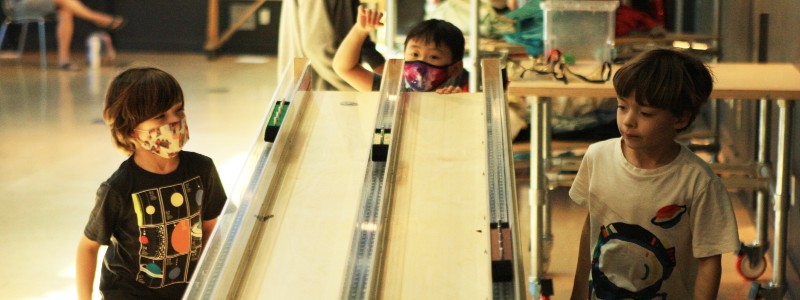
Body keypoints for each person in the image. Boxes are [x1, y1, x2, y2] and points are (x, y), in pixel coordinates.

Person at [569, 49, 739, 299]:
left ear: (680, 119)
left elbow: (709, 260)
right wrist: (578, 291)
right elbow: (590, 228)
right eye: (621, 106)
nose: (628, 121)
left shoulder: (698, 181)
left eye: (645, 113)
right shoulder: (597, 157)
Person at [75, 67, 227, 299]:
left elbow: (210, 227)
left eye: (178, 111)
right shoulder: (119, 188)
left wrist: (207, 280)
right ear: (130, 128)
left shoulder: (202, 169)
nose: (175, 121)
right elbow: (88, 246)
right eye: (160, 116)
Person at [333, 6, 468, 93]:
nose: (420, 64)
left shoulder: (461, 91)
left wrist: (456, 104)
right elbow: (344, 68)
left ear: (455, 68)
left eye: (433, 57)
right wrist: (360, 30)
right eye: (414, 53)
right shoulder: (392, 91)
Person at [277, 0, 385, 91]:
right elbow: (318, 49)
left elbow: (359, 37)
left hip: (329, 85)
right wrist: (369, 86)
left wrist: (384, 72)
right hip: (319, 90)